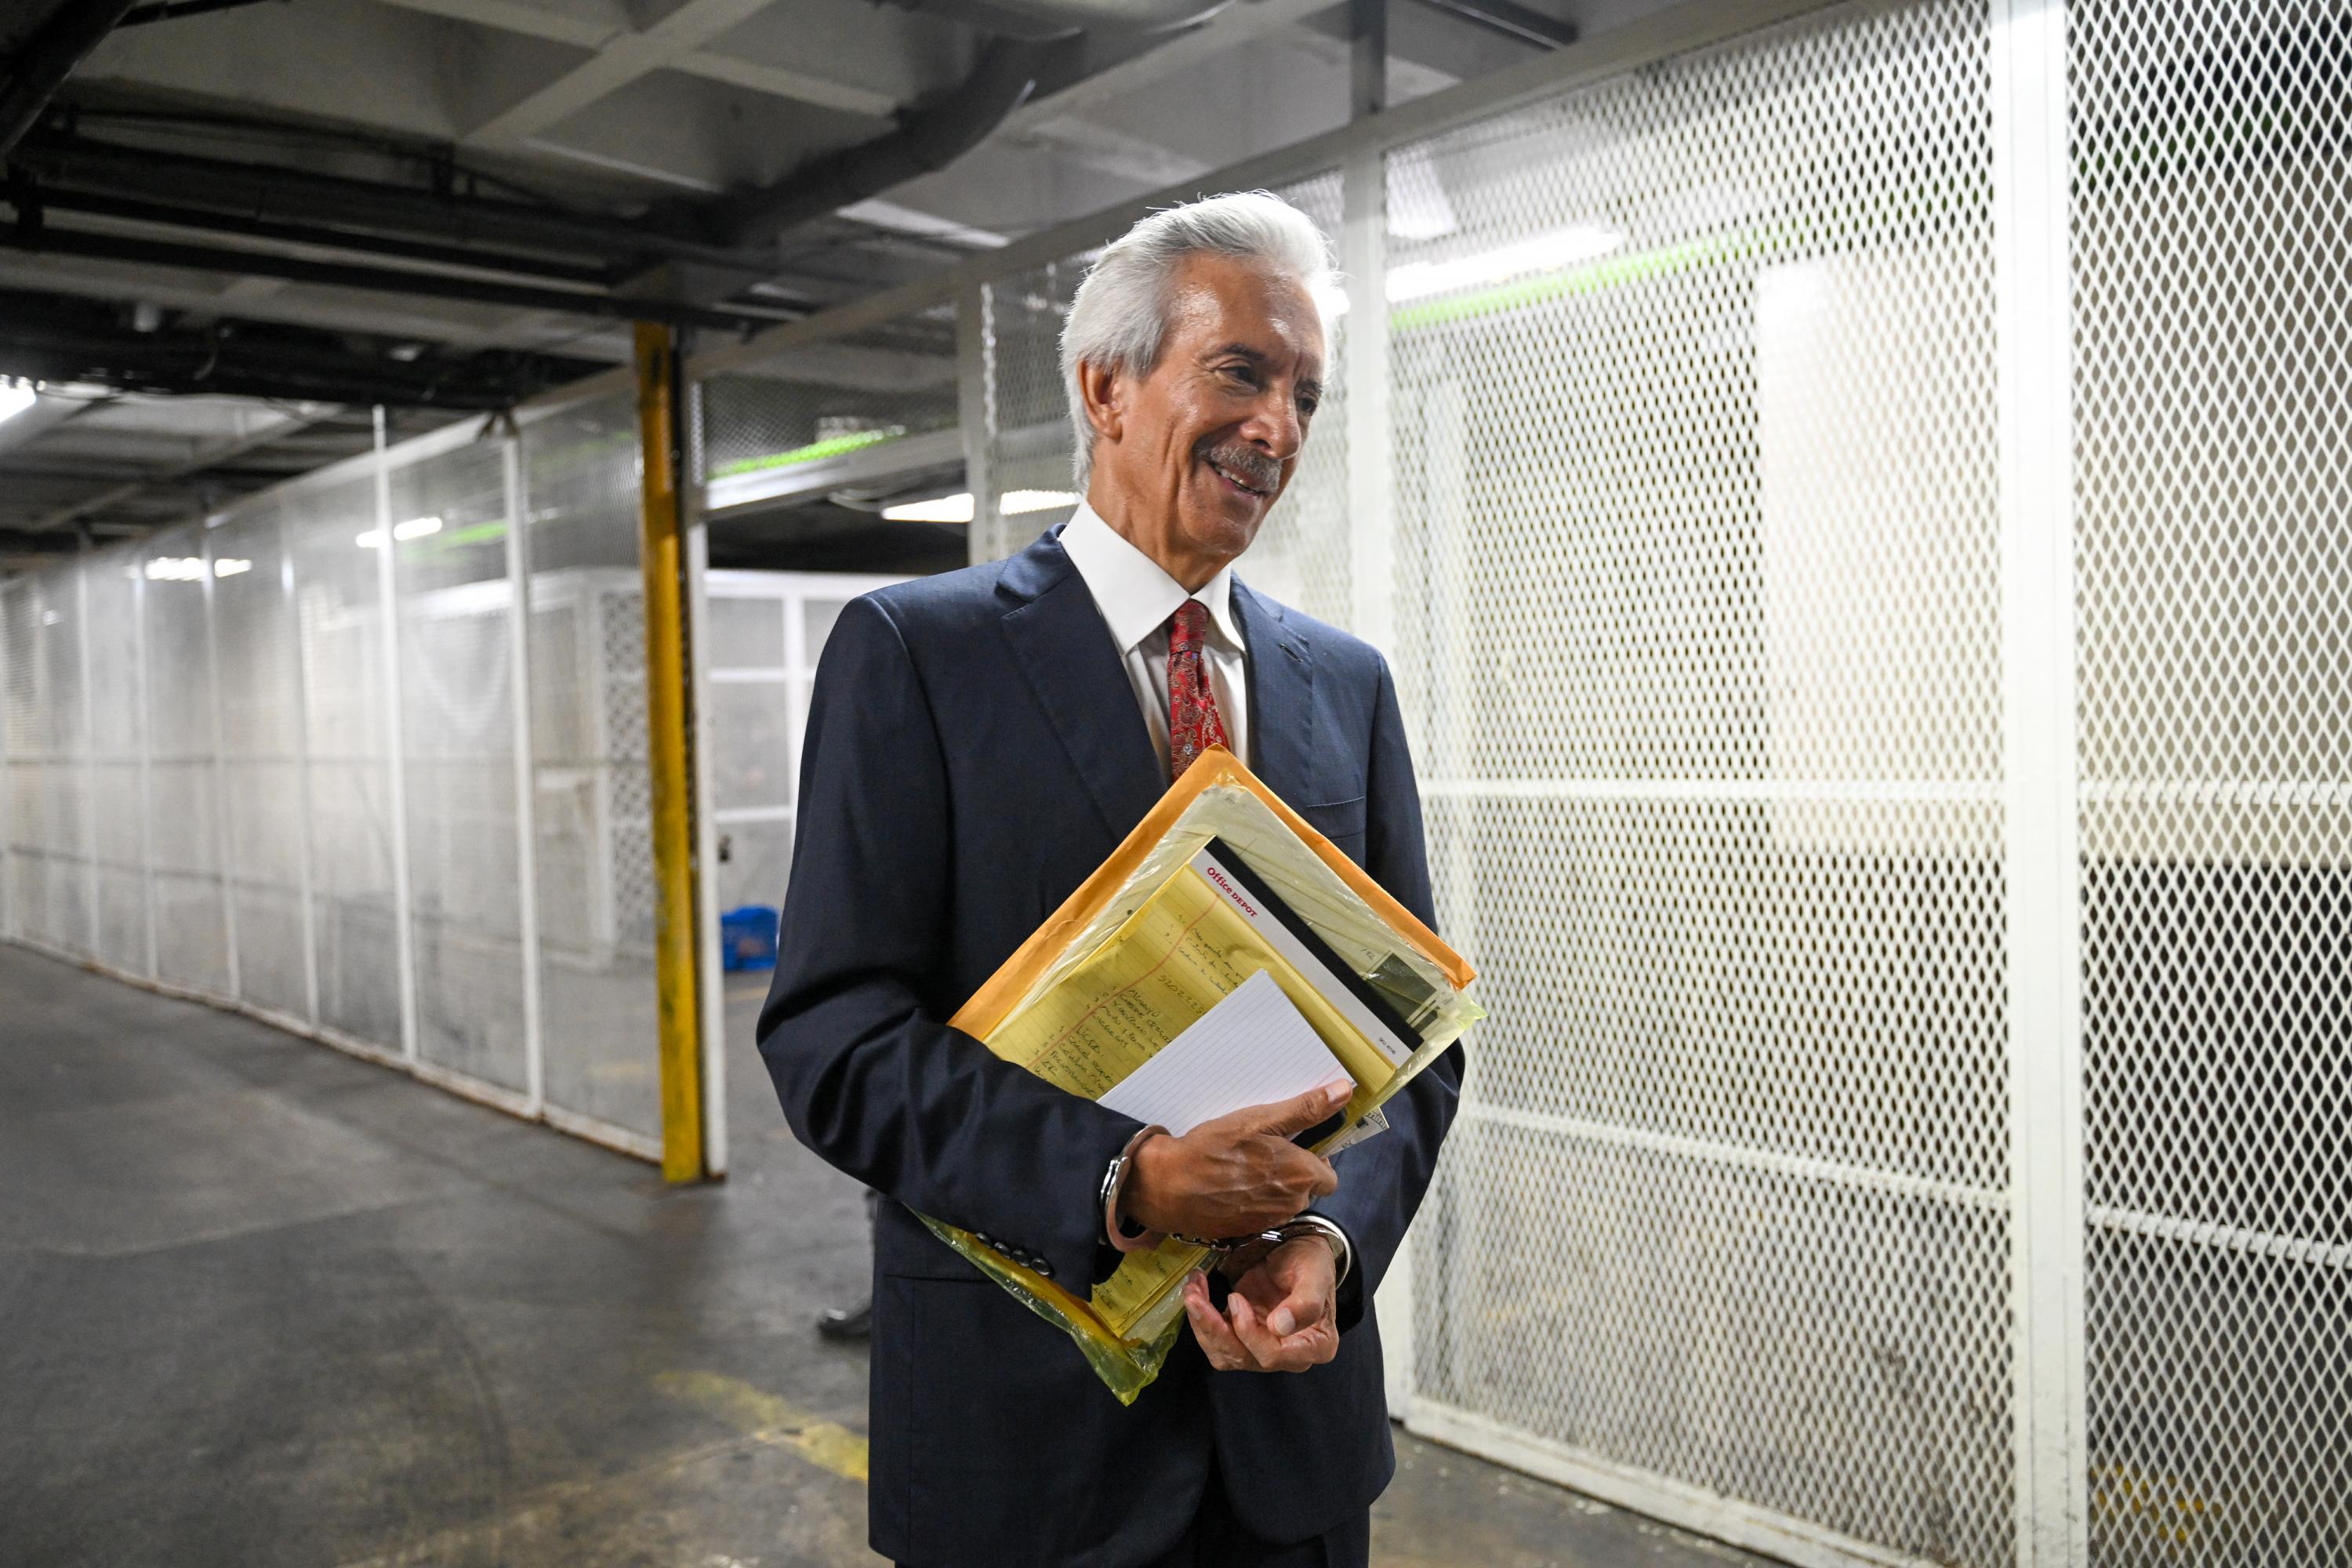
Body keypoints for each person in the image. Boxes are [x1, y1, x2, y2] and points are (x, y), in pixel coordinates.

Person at [757, 190, 1462, 1568]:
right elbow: (832, 1036)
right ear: (1106, 386)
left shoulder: (1346, 687)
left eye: (1305, 394)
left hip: (1292, 1440)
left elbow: (1413, 1040)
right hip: (1024, 1453)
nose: (1279, 428)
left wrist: (1325, 1237)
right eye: (1241, 372)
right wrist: (1123, 1185)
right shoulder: (917, 654)